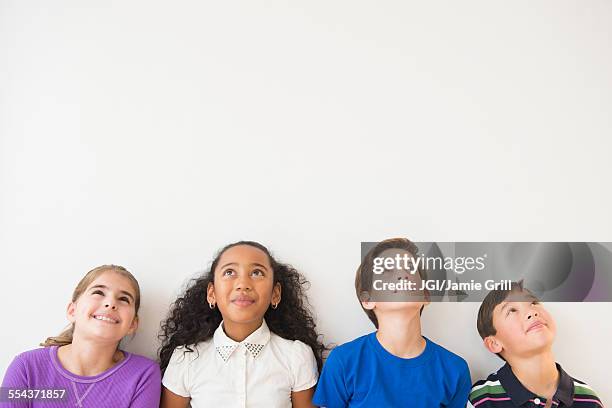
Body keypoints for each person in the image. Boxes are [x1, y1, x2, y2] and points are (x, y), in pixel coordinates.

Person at [159, 241, 324, 408]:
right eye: (229, 272)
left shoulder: (296, 357)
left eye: (257, 272)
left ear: (275, 293)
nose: (243, 284)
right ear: (212, 293)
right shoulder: (186, 358)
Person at [313, 238, 471, 407]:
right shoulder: (343, 362)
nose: (402, 275)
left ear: (425, 295)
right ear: (367, 300)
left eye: (410, 268)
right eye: (387, 270)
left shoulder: (455, 370)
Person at [1, 265, 161, 407]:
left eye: (124, 299)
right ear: (72, 311)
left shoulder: (143, 374)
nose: (111, 303)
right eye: (99, 292)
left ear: (132, 324)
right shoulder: (26, 367)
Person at [468, 281, 603, 408]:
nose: (532, 312)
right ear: (494, 343)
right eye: (512, 310)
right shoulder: (482, 399)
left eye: (533, 303)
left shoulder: (589, 400)